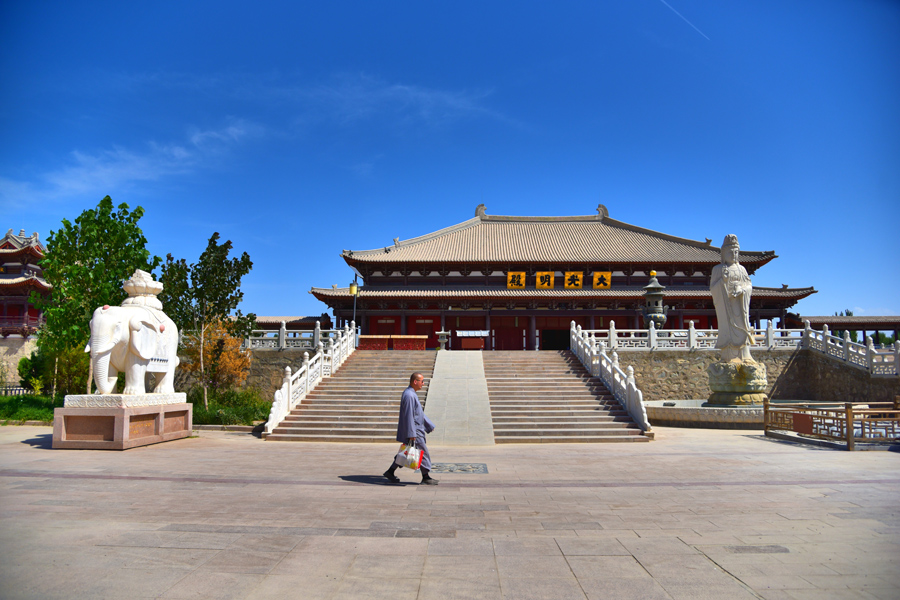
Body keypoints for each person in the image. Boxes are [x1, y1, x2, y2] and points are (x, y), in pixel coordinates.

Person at [384, 372, 438, 485]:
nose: (423, 384)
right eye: (421, 381)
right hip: (414, 431)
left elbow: (419, 414)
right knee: (422, 453)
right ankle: (426, 476)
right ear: (415, 381)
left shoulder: (411, 394)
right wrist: (411, 433)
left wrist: (429, 425)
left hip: (416, 429)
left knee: (406, 453)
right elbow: (409, 415)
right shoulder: (409, 395)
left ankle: (390, 471)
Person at [710, 234, 755, 363]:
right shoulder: (718, 269)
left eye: (736, 252)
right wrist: (722, 282)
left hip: (739, 305)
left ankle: (745, 355)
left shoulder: (742, 270)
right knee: (728, 330)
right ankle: (728, 356)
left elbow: (749, 286)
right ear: (723, 253)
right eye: (731, 252)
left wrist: (742, 290)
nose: (734, 255)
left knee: (743, 327)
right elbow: (713, 288)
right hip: (726, 305)